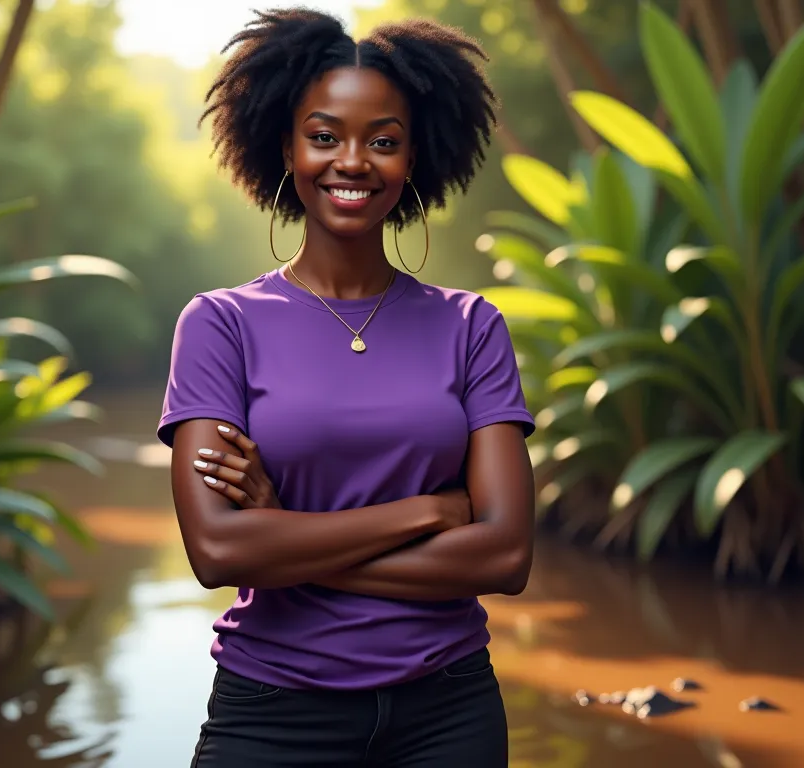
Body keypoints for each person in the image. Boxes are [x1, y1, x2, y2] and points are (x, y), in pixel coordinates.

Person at [157, 8, 536, 767]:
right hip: (271, 709)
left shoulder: (471, 327)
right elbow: (218, 548)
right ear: (286, 147)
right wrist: (428, 512)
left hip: (448, 711)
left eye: (383, 140)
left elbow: (503, 557)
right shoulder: (220, 325)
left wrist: (286, 533)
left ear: (415, 157)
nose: (352, 161)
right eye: (324, 135)